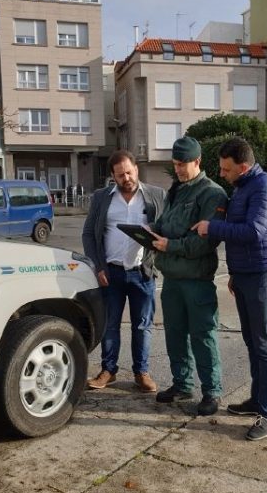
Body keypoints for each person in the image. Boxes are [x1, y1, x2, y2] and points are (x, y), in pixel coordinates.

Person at [192, 137, 267, 441]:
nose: (222, 174)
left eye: (226, 169)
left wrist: (211, 227)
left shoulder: (263, 187)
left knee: (264, 344)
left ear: (243, 167)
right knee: (252, 342)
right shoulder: (244, 186)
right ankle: (256, 400)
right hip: (245, 274)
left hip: (261, 275)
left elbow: (253, 232)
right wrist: (234, 272)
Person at [149, 136, 228, 416]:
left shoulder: (213, 193)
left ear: (198, 161)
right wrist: (149, 232)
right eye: (175, 164)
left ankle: (212, 391)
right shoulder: (177, 191)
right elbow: (165, 224)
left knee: (202, 336)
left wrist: (171, 245)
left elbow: (204, 242)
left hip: (196, 281)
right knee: (175, 335)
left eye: (183, 164)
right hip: (171, 279)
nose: (179, 170)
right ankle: (182, 384)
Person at [82, 149, 166, 393]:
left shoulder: (156, 195)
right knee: (110, 325)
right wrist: (98, 266)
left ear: (136, 169)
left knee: (142, 326)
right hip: (111, 273)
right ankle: (109, 371)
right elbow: (89, 234)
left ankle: (141, 372)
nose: (126, 178)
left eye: (129, 172)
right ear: (113, 176)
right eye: (120, 175)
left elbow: (165, 229)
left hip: (142, 273)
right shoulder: (101, 198)